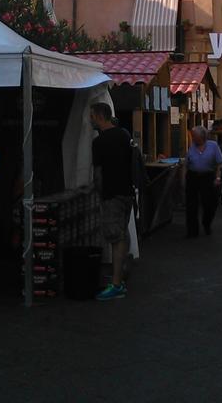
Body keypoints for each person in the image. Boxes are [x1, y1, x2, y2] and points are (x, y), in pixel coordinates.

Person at [90, 102, 134, 301]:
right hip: (126, 192)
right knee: (122, 235)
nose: (90, 119)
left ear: (99, 116)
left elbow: (98, 173)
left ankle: (116, 284)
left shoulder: (98, 142)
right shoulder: (124, 134)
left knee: (116, 239)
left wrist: (100, 193)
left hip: (111, 194)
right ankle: (121, 275)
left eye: (91, 115)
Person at [182, 125, 222, 237]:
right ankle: (192, 231)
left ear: (202, 137)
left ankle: (206, 223)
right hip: (193, 176)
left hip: (208, 176)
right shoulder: (192, 146)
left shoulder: (213, 146)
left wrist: (218, 177)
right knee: (191, 204)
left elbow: (220, 163)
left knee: (210, 203)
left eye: (194, 136)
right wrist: (183, 178)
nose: (193, 138)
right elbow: (186, 163)